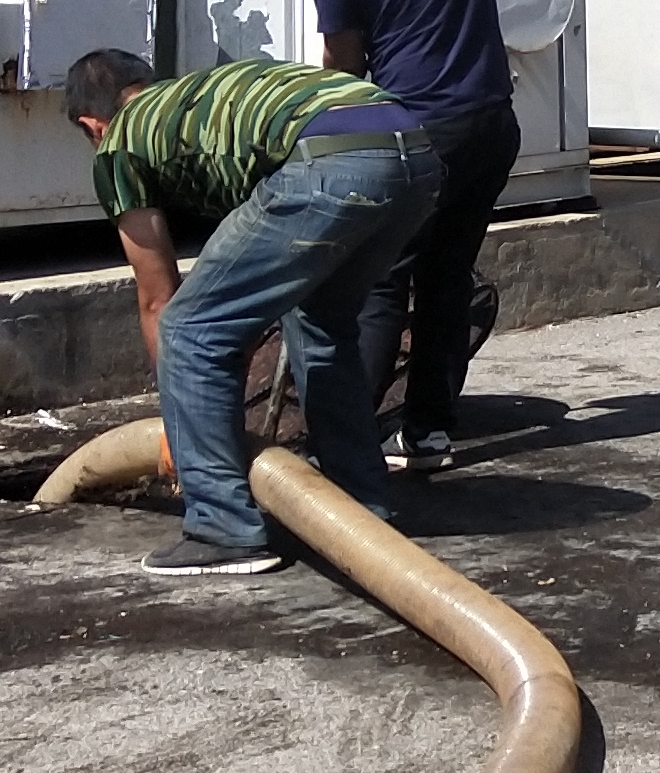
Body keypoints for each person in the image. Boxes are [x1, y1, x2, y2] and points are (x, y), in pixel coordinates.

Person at [67, 48, 444, 575]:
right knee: (321, 321)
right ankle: (358, 503)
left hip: (329, 163)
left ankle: (223, 528)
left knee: (188, 329)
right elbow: (247, 304)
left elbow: (159, 300)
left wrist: (183, 426)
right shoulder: (202, 103)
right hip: (415, 155)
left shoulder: (119, 145)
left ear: (93, 125)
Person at [254, 0, 535, 477]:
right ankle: (428, 431)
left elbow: (346, 62)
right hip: (490, 122)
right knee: (447, 278)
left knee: (378, 282)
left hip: (416, 132)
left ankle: (343, 445)